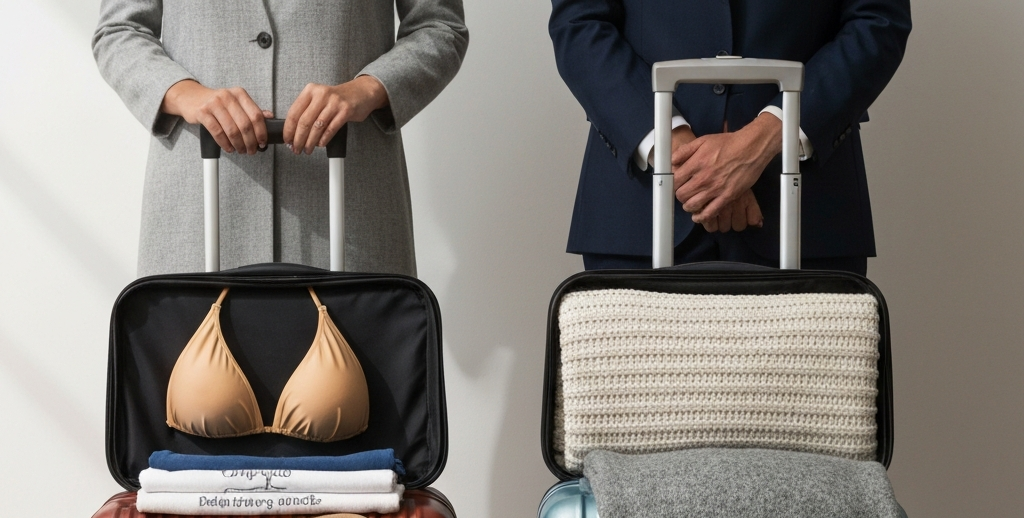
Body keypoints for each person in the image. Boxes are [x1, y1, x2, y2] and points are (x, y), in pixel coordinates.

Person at [93, 1, 469, 276]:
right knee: (192, 380)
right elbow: (119, 30)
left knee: (359, 381)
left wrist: (367, 89)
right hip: (199, 214)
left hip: (349, 213)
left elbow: (439, 26)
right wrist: (184, 93)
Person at [549, 1, 912, 274]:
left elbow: (877, 21)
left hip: (807, 213)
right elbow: (580, 22)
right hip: (638, 216)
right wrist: (685, 156)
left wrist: (764, 140)